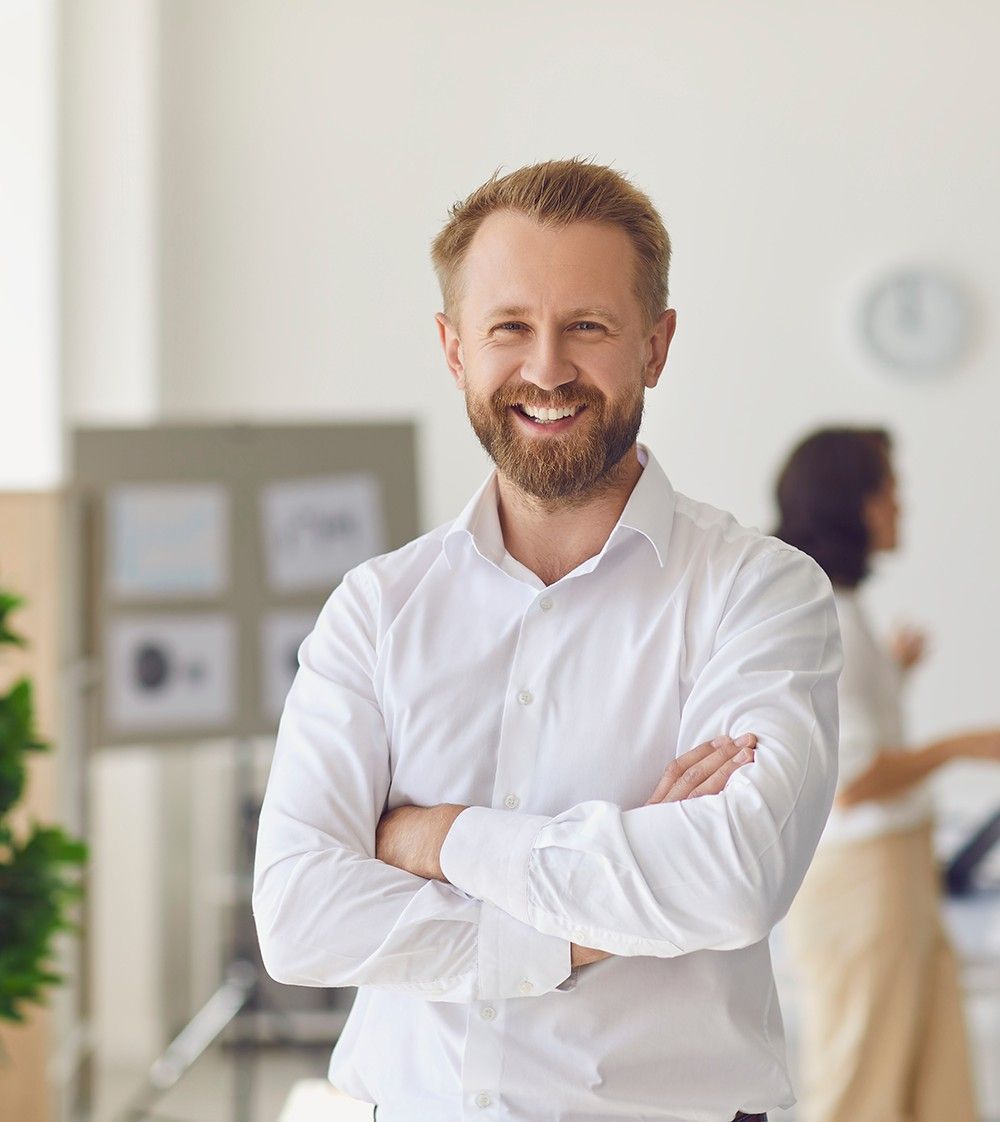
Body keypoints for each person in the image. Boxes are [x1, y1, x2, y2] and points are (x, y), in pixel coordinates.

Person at [252, 159, 843, 1122]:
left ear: (656, 345)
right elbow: (300, 919)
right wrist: (597, 922)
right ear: (454, 350)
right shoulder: (376, 609)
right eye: (509, 328)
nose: (547, 369)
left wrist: (437, 838)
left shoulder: (760, 594)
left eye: (589, 327)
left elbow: (732, 879)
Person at [775, 426, 1000, 1122]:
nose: (899, 509)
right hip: (863, 882)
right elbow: (855, 780)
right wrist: (963, 745)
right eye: (888, 493)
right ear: (853, 505)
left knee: (926, 1081)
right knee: (864, 1086)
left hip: (890, 877)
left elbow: (845, 740)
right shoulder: (826, 613)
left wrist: (893, 676)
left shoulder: (837, 608)